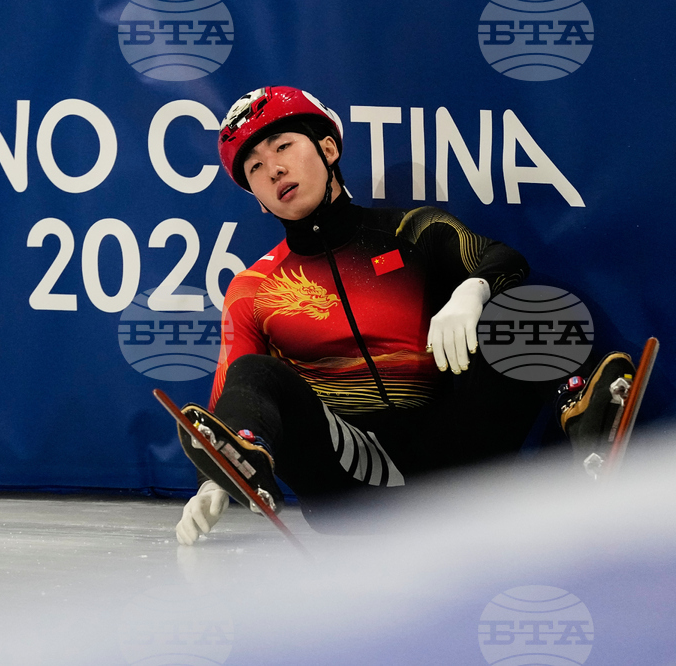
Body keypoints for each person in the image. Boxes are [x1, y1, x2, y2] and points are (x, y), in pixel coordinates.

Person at [175, 86, 635, 546]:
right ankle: (239, 465)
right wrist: (213, 479)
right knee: (254, 371)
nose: (273, 168)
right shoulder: (252, 288)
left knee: (530, 307)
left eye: (283, 146)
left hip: (451, 461)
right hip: (349, 479)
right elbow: (234, 392)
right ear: (256, 196)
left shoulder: (411, 229)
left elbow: (502, 258)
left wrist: (471, 293)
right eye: (254, 166)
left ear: (328, 148)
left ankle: (589, 425)